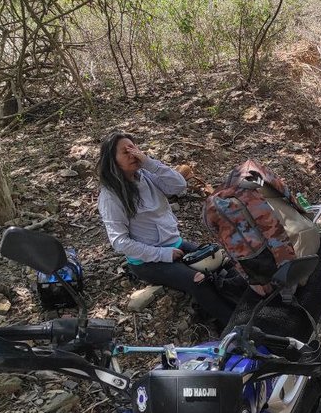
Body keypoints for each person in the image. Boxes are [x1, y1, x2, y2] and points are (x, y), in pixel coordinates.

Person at [97, 132, 242, 325]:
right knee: (199, 281)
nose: (133, 154)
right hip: (147, 261)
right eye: (125, 152)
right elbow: (119, 242)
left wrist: (149, 162)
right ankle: (237, 325)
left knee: (222, 261)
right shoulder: (110, 197)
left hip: (175, 243)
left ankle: (252, 308)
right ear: (112, 160)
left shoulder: (146, 175)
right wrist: (162, 254)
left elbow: (178, 185)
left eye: (134, 148)